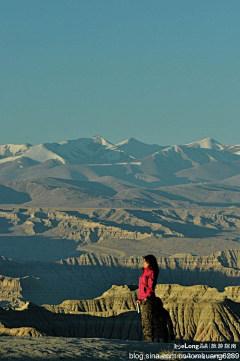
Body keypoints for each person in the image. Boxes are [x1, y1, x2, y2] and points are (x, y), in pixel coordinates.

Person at [136, 254, 159, 342]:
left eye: (145, 261)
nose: (144, 263)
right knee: (144, 319)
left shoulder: (151, 272)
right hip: (143, 298)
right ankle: (147, 337)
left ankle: (149, 338)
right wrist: (139, 298)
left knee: (147, 318)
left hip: (148, 299)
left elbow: (151, 286)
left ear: (150, 262)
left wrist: (147, 296)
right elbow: (142, 287)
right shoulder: (145, 272)